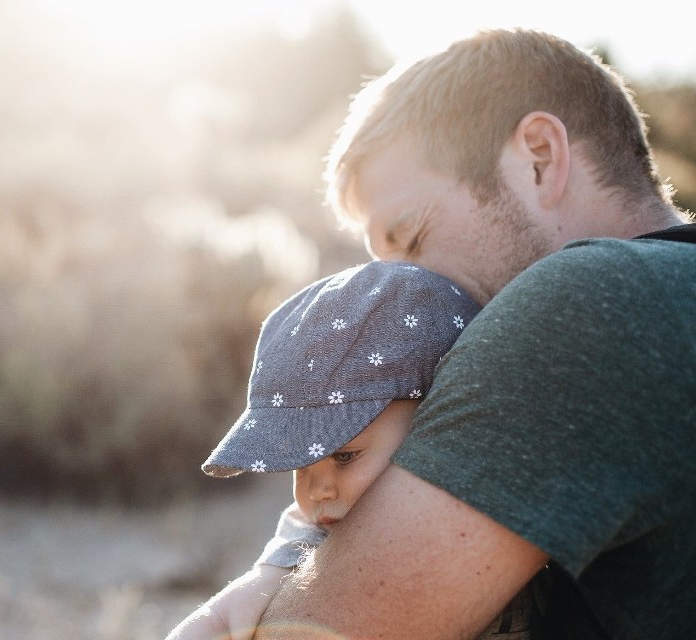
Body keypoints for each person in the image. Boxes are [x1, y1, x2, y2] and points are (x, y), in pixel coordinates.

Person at [253, 28, 696, 639]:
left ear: (539, 157)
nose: (398, 293)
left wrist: (275, 575)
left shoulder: (582, 305)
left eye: (410, 238)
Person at [166, 261, 546, 640]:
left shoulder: (502, 492)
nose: (317, 491)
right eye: (300, 466)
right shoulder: (322, 531)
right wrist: (264, 579)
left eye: (344, 456)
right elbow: (284, 550)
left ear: (434, 416)